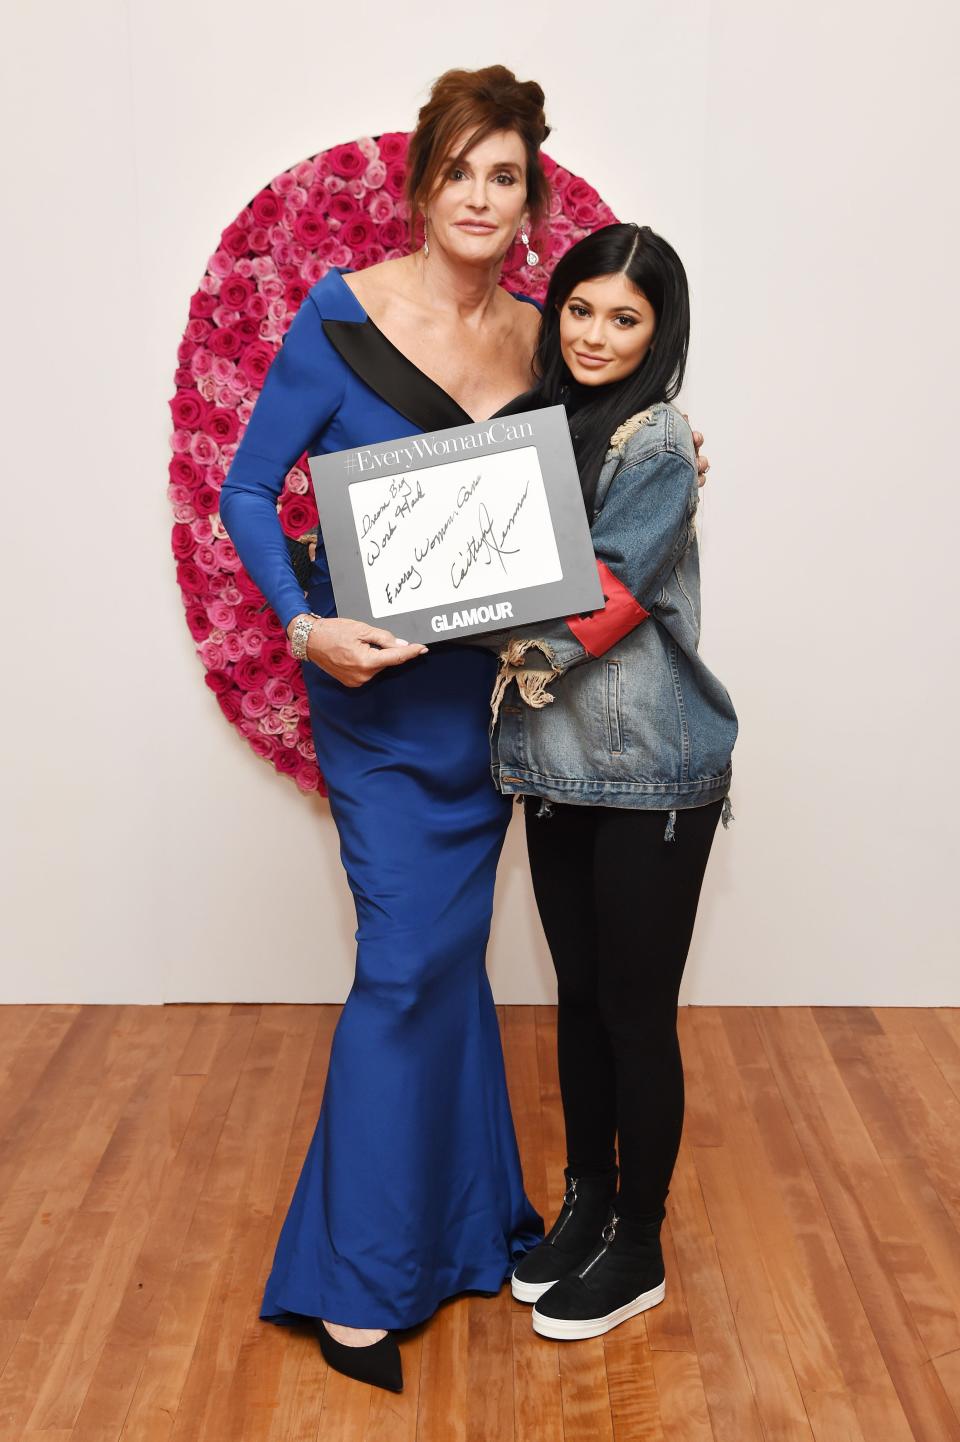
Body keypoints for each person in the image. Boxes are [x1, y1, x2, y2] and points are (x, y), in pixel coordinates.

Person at [220, 66, 553, 1393]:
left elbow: (582, 489)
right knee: (404, 965)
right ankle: (352, 1284)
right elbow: (249, 489)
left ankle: (470, 1227)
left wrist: (672, 454)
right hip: (375, 699)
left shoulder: (543, 337)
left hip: (494, 706)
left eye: (505, 174)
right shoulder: (340, 313)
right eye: (461, 169)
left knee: (449, 962)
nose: (480, 195)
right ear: (423, 182)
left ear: (529, 198)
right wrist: (307, 626)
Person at [485, 223, 738, 1341]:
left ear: (658, 331)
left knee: (637, 1013)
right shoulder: (540, 432)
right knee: (578, 998)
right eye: (581, 309)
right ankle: (586, 1206)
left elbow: (613, 586)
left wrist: (477, 623)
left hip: (651, 767)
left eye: (624, 317)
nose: (595, 334)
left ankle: (638, 1242)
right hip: (555, 763)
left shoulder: (659, 442)